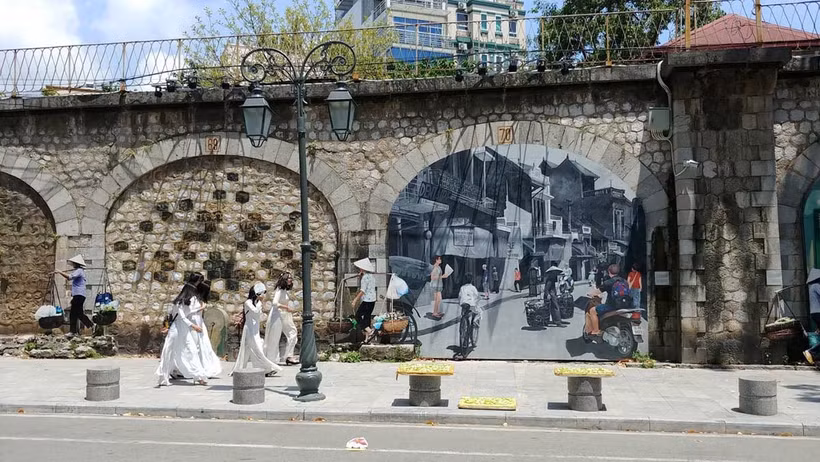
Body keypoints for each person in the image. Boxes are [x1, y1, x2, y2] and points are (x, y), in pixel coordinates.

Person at [156, 273, 208, 386]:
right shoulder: (179, 303)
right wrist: (194, 326)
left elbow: (188, 313)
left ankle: (199, 376)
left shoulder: (188, 302)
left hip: (183, 329)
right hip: (176, 328)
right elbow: (181, 317)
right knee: (168, 351)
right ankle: (163, 377)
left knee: (191, 350)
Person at [231, 282, 282, 377]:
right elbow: (255, 311)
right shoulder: (248, 302)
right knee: (256, 348)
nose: (263, 295)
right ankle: (266, 369)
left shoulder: (256, 302)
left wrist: (259, 303)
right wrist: (260, 302)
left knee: (254, 349)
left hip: (255, 329)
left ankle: (261, 369)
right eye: (261, 293)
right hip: (249, 329)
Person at [585, 264, 631, 336]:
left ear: (609, 272)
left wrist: (589, 293)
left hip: (613, 306)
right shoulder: (624, 281)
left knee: (592, 310)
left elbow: (598, 291)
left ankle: (596, 330)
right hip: (626, 305)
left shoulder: (609, 282)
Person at [264, 272, 299, 366]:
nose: (290, 280)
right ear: (284, 280)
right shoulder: (279, 290)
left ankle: (289, 356)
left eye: (291, 278)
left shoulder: (284, 291)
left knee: (293, 332)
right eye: (289, 278)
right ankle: (271, 359)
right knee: (274, 337)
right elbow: (275, 303)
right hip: (277, 315)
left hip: (285, 315)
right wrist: (287, 307)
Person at [189, 280, 222, 378]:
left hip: (200, 323)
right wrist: (201, 308)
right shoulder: (194, 299)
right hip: (194, 323)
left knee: (204, 345)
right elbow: (190, 312)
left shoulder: (200, 299)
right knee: (195, 346)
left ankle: (204, 366)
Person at [54, 255, 93, 335]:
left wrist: (59, 272)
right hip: (79, 295)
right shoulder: (79, 271)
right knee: (78, 313)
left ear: (76, 264)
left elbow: (69, 277)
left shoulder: (79, 271)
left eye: (73, 263)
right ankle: (87, 326)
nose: (72, 265)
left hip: (79, 295)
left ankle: (75, 330)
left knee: (74, 313)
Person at [352, 258, 378, 341]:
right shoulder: (371, 277)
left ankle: (370, 331)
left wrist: (355, 300)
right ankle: (367, 339)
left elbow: (362, 291)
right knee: (367, 318)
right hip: (372, 300)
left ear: (363, 269)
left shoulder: (365, 278)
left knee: (358, 316)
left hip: (367, 301)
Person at [455, 273, 480, 360]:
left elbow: (459, 297)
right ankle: (473, 326)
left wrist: (460, 303)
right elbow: (477, 296)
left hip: (463, 304)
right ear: (471, 280)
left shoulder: (462, 287)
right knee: (477, 313)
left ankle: (464, 325)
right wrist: (476, 302)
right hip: (471, 304)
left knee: (464, 315)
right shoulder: (473, 288)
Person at [803, 269, 820, 364]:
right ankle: (811, 352)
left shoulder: (812, 287)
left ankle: (814, 354)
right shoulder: (817, 286)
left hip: (815, 313)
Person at [429, 256, 450, 320]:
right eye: (439, 259)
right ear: (436, 260)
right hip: (435, 285)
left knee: (439, 299)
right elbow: (432, 278)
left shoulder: (438, 267)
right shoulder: (434, 267)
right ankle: (435, 313)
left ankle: (436, 312)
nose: (440, 260)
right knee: (437, 299)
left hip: (438, 284)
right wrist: (442, 276)